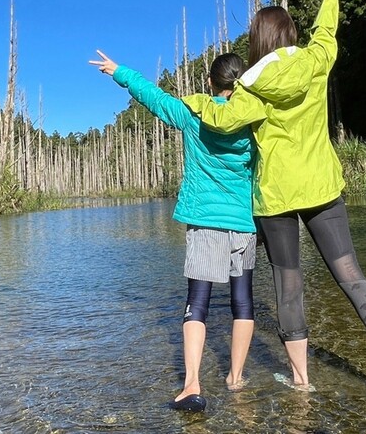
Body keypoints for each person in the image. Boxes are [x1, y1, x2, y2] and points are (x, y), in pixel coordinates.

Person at [181, 0, 366, 412]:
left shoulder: (249, 87)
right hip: (322, 188)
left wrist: (191, 100)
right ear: (290, 35)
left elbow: (219, 118)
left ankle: (302, 381)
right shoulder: (315, 61)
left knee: (289, 287)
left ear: (258, 42)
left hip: (276, 200)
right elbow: (325, 32)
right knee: (352, 276)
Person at [89, 50, 258, 413]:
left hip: (205, 221)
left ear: (210, 83)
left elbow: (155, 98)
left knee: (197, 302)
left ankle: (192, 383)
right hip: (243, 222)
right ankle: (236, 378)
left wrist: (120, 72)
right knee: (242, 301)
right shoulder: (253, 119)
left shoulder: (194, 112)